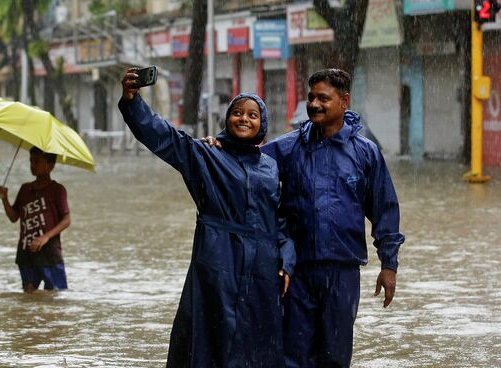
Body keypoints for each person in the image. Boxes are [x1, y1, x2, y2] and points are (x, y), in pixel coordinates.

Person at [207, 69, 404, 367]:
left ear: (344, 101)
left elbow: (385, 210)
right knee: (293, 356)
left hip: (343, 272)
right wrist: (220, 145)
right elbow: (246, 161)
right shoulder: (288, 148)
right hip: (296, 273)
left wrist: (389, 265)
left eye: (324, 98)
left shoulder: (366, 153)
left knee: (335, 356)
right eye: (311, 97)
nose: (314, 104)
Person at [118, 69, 295, 368]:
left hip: (262, 265)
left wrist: (286, 260)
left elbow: (279, 221)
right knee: (210, 335)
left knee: (257, 341)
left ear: (262, 124)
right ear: (227, 119)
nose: (243, 119)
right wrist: (132, 101)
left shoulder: (270, 167)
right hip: (217, 259)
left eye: (252, 115)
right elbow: (164, 137)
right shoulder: (206, 155)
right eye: (237, 113)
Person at [0, 146, 71, 293]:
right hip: (26, 252)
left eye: (37, 161)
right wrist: (4, 199)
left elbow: (66, 220)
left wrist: (45, 237)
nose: (33, 165)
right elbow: (14, 217)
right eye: (31, 161)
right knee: (29, 297)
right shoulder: (25, 189)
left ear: (50, 165)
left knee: (56, 296)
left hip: (49, 254)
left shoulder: (57, 190)